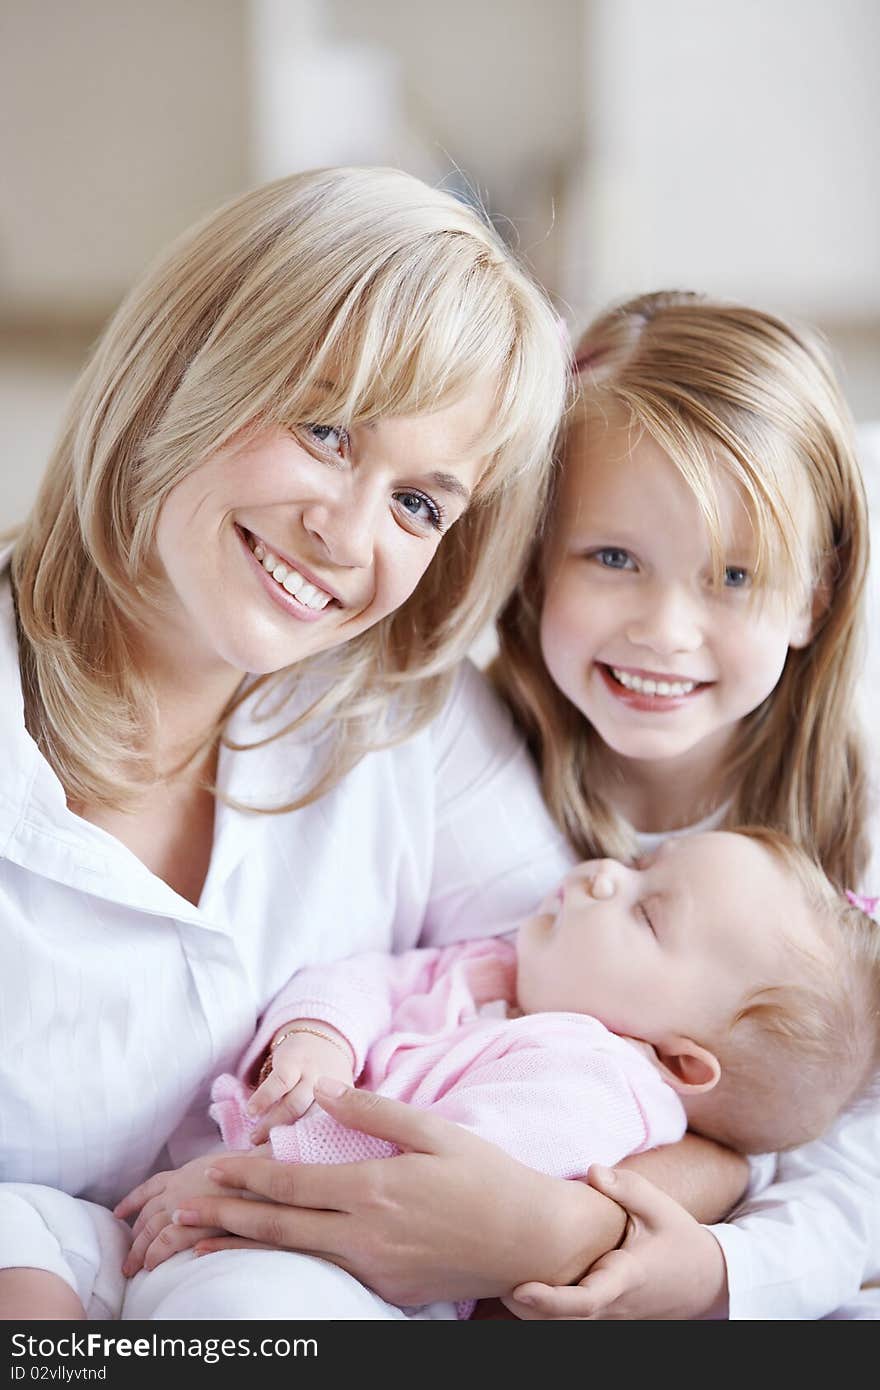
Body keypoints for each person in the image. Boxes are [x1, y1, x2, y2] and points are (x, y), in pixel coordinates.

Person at [167, 292, 880, 1321]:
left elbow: (856, 1171)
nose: (665, 631)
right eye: (614, 558)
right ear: (534, 561)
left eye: (733, 575)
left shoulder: (848, 834)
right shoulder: (458, 761)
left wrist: (706, 1264)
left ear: (812, 596)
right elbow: (391, 1000)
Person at [0, 164, 584, 1321]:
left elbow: (648, 1024)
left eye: (421, 503)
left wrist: (572, 1225)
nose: (346, 534)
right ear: (188, 368)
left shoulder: (410, 720)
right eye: (325, 430)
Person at [114, 828, 880, 1326]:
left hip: (341, 1279)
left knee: (244, 1316)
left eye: (646, 914)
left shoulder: (599, 1089)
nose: (605, 877)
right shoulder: (493, 971)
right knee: (24, 1231)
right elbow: (372, 980)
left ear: (680, 1060)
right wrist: (321, 1036)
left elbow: (426, 1172)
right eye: (642, 863)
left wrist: (241, 1181)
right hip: (209, 1210)